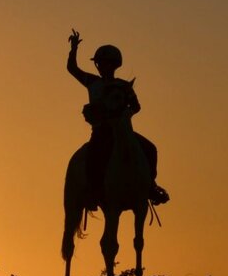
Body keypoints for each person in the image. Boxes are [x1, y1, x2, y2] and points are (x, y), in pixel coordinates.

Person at [66, 29, 169, 209]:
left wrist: (127, 114)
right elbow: (72, 69)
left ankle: (150, 186)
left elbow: (136, 106)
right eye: (101, 63)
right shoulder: (92, 82)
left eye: (106, 63)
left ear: (114, 65)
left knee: (150, 148)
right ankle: (92, 192)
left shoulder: (123, 85)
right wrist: (74, 49)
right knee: (94, 157)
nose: (103, 66)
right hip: (101, 132)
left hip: (123, 131)